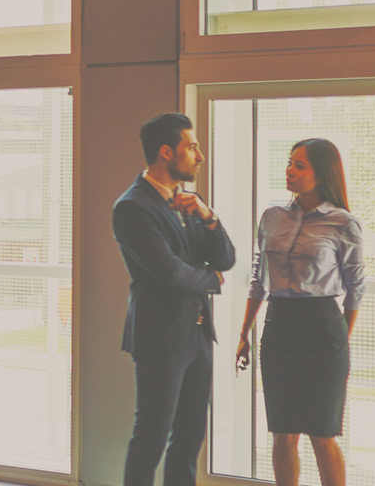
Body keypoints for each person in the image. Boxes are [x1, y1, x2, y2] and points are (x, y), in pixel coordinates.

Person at [113, 112, 236, 486]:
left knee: (188, 441)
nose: (199, 155)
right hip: (161, 338)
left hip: (198, 337)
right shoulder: (132, 206)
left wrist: (210, 217)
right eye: (192, 147)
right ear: (167, 152)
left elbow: (226, 259)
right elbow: (168, 271)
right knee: (150, 439)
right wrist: (211, 280)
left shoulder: (190, 203)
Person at [233, 139, 361, 486]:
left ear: (322, 173)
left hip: (323, 326)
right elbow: (259, 279)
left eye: (299, 165)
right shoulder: (272, 217)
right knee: (283, 432)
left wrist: (340, 340)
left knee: (322, 434)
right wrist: (244, 331)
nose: (289, 170)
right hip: (279, 325)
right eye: (289, 163)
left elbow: (356, 289)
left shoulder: (342, 222)